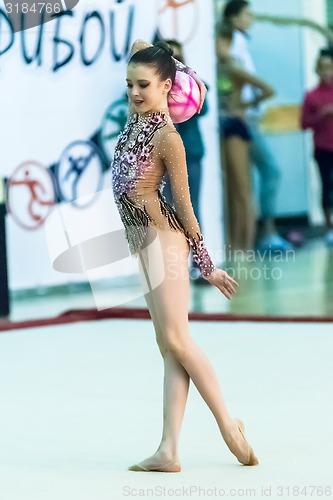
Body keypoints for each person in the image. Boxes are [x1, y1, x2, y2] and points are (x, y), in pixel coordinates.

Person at [111, 38, 259, 472]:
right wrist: (163, 61)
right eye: (129, 84)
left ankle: (228, 425)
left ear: (166, 86)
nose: (135, 93)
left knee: (177, 339)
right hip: (141, 241)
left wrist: (206, 264)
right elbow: (142, 45)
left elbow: (186, 208)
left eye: (144, 85)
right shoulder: (134, 119)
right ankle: (169, 451)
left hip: (164, 240)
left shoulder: (167, 137)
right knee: (167, 346)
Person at [223, 0, 293, 252]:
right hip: (241, 122)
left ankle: (251, 240)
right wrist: (243, 105)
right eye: (247, 15)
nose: (251, 19)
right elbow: (238, 82)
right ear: (233, 18)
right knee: (263, 175)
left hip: (248, 119)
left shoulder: (242, 44)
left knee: (247, 183)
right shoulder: (231, 46)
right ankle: (265, 234)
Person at [216, 21, 274, 251]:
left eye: (219, 42)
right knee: (227, 188)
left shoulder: (234, 68)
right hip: (220, 127)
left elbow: (268, 90)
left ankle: (246, 246)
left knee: (242, 188)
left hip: (235, 125)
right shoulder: (212, 68)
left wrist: (245, 105)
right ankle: (232, 244)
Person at [161, 39, 209, 282]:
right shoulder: (152, 86)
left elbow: (204, 106)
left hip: (189, 155)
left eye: (177, 58)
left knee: (191, 210)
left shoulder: (192, 84)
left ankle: (200, 266)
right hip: (162, 159)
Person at [301, 51, 333, 246]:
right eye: (323, 68)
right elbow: (304, 123)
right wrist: (321, 115)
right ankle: (329, 227)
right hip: (323, 148)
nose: (327, 72)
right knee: (327, 187)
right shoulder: (311, 96)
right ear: (317, 70)